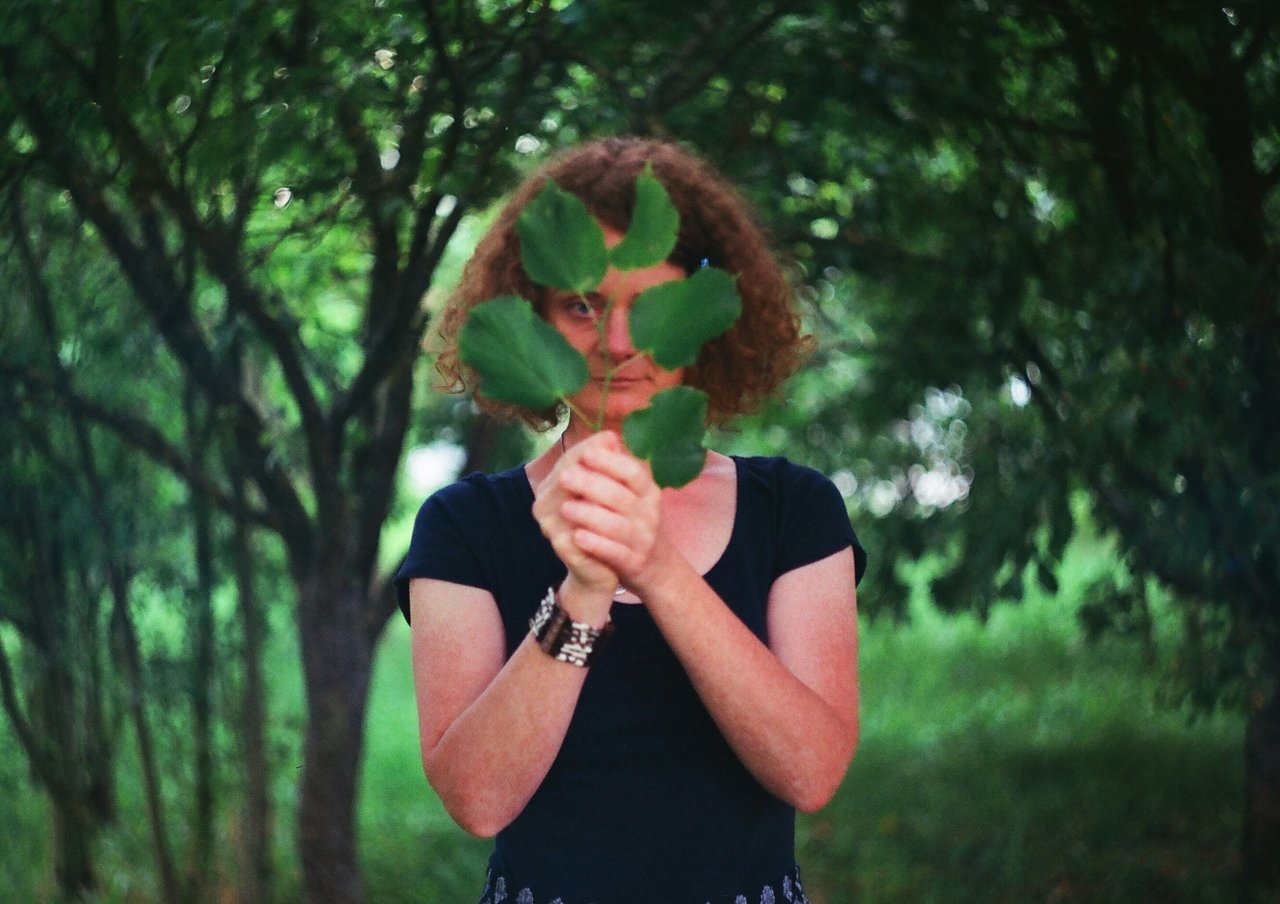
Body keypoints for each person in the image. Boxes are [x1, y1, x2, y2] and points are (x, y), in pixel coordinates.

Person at [396, 136, 866, 904]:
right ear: (533, 321)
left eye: (651, 307)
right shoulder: (463, 529)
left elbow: (811, 772)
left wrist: (656, 569)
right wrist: (583, 591)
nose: (618, 342)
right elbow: (478, 801)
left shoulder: (795, 511)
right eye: (582, 305)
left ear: (709, 319)